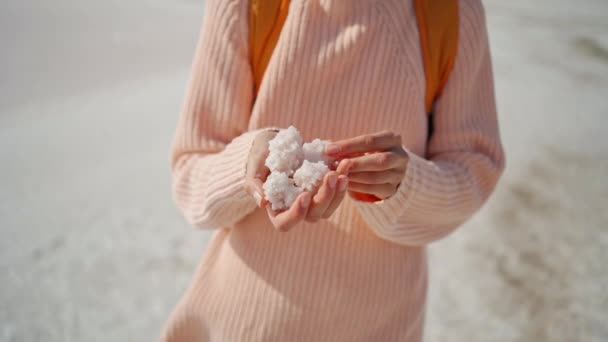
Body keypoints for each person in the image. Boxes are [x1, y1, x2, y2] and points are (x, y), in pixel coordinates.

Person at [162, 0, 505, 340]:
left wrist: (404, 185)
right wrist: (245, 167)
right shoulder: (243, 6)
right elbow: (190, 171)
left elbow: (475, 169)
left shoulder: (452, 13)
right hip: (244, 324)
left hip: (384, 327)